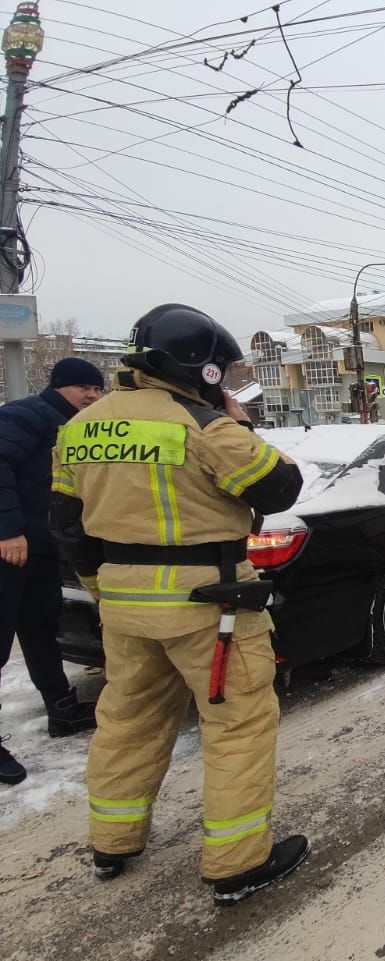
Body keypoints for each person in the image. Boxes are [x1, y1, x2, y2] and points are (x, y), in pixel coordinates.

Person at [50, 305, 309, 907]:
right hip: (209, 607)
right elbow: (279, 486)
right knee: (237, 726)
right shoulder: (202, 425)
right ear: (203, 368)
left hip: (122, 603)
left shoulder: (82, 425)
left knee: (127, 718)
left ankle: (112, 841)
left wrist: (100, 586)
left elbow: (65, 523)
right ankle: (237, 860)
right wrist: (238, 425)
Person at [0, 358, 105, 786]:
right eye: (85, 388)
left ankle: (61, 708)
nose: (93, 397)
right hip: (9, 549)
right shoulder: (27, 414)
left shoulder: (75, 424)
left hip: (41, 552)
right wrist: (7, 531)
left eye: (97, 391)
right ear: (61, 387)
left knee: (41, 627)